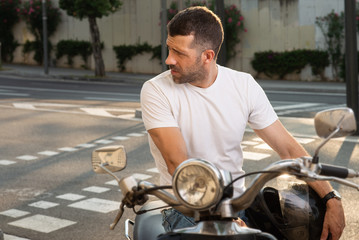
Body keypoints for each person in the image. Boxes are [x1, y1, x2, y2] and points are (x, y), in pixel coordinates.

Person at [140, 6, 345, 240]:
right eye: (169, 48)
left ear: (208, 56)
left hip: (238, 207)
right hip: (183, 209)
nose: (169, 59)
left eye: (179, 52)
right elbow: (179, 164)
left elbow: (287, 148)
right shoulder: (156, 90)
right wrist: (221, 219)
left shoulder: (243, 85)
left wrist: (330, 198)